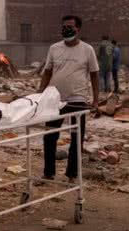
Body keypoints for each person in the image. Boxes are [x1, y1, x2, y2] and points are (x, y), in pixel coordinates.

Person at [38, 15, 99, 182]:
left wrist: (95, 100)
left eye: (70, 26)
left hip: (78, 100)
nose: (66, 29)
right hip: (55, 100)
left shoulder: (88, 50)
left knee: (76, 138)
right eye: (64, 26)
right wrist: (39, 94)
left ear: (78, 29)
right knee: (50, 136)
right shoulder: (54, 48)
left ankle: (72, 174)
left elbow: (94, 75)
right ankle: (49, 172)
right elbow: (47, 72)